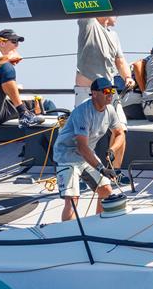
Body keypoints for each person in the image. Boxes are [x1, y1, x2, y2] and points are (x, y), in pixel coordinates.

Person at [53, 77, 127, 221]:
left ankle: (96, 225)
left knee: (106, 191)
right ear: (94, 93)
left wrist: (112, 149)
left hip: (86, 155)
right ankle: (69, 234)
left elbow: (119, 133)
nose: (111, 94)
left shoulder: (110, 110)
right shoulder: (83, 112)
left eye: (112, 90)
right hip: (66, 156)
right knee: (72, 200)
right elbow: (81, 147)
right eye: (106, 91)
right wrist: (101, 169)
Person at [74, 17, 134, 121]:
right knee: (85, 130)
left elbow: (120, 61)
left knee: (120, 128)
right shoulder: (90, 23)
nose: (118, 15)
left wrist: (127, 77)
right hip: (87, 93)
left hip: (108, 92)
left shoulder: (114, 35)